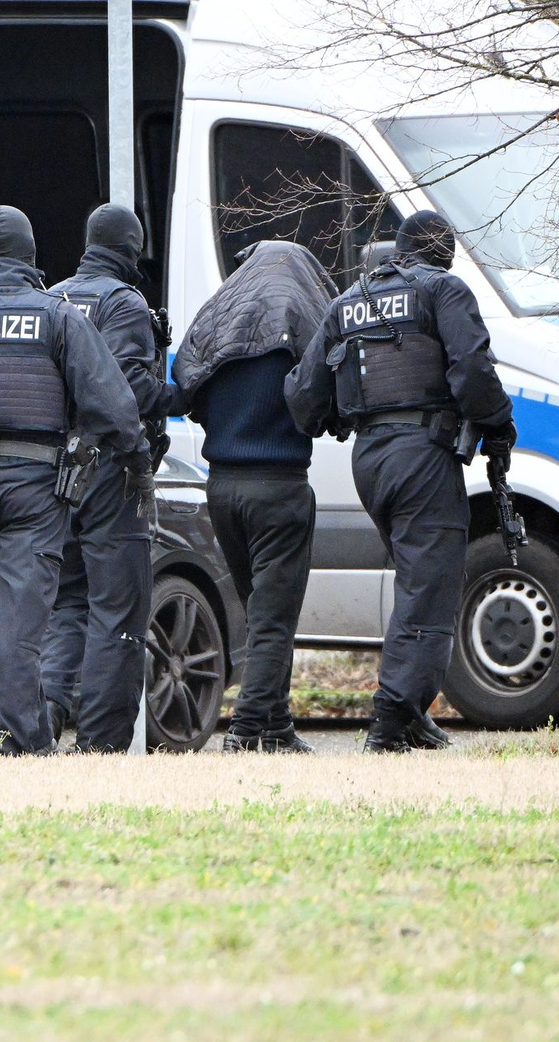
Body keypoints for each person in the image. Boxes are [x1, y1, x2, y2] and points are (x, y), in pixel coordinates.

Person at [0, 205, 152, 756]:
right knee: (19, 622)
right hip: (36, 487)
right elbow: (111, 398)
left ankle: (11, 733)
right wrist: (135, 459)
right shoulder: (57, 316)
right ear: (32, 255)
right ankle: (16, 739)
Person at [286, 211, 516, 753]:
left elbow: (303, 396)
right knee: (430, 587)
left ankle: (412, 714)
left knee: (418, 582)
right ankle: (392, 718)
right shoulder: (444, 291)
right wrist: (500, 425)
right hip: (423, 457)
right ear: (445, 252)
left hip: (370, 460)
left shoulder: (349, 302)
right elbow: (474, 371)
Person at [172, 241, 337, 754]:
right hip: (279, 489)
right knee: (273, 618)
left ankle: (278, 726)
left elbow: (187, 388)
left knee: (260, 611)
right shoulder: (307, 324)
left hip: (221, 488)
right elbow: (327, 404)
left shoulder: (219, 323)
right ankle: (245, 732)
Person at [39, 204, 182, 752]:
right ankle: (100, 742)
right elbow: (125, 390)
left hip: (55, 472)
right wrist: (181, 394)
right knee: (118, 608)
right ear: (131, 247)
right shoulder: (124, 302)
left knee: (65, 603)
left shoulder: (51, 297)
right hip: (108, 468)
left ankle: (45, 718)